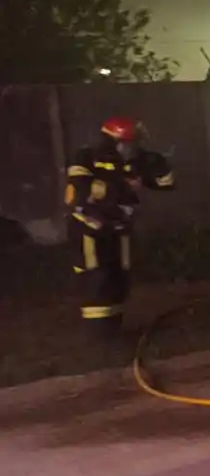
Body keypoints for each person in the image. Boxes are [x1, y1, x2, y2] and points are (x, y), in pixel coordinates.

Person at [64, 116, 175, 336]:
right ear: (114, 141)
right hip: (91, 230)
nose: (133, 149)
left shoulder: (134, 162)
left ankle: (114, 329)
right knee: (97, 277)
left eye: (135, 144)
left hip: (118, 229)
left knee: (118, 278)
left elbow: (166, 183)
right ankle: (99, 336)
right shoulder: (87, 157)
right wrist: (121, 187)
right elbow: (80, 189)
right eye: (129, 143)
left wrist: (157, 165)